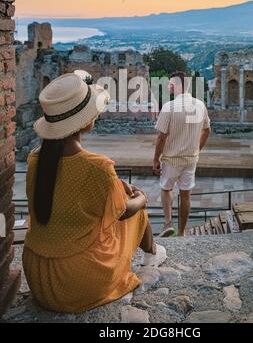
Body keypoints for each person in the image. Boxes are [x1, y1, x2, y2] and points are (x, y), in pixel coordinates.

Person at [22, 73, 166, 313]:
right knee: (136, 210)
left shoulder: (35, 159)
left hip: (38, 276)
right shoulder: (97, 166)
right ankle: (152, 254)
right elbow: (123, 212)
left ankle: (152, 252)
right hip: (77, 281)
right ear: (88, 122)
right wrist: (141, 199)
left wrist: (115, 185)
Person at [153, 72, 211, 237]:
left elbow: (161, 136)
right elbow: (207, 130)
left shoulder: (169, 107)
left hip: (171, 158)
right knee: (186, 195)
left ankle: (167, 223)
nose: (168, 86)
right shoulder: (200, 105)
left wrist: (155, 159)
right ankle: (182, 232)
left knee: (166, 188)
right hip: (191, 158)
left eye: (171, 83)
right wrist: (197, 149)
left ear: (179, 86)